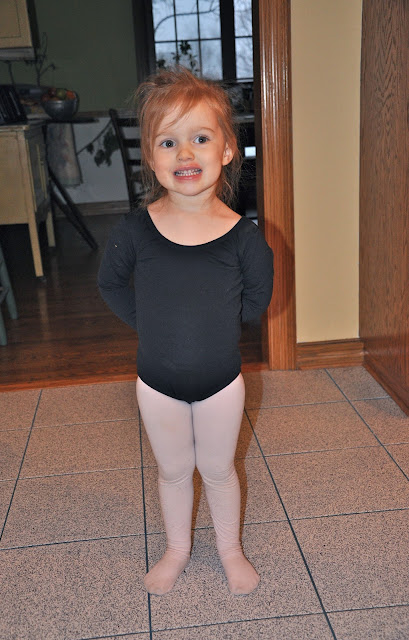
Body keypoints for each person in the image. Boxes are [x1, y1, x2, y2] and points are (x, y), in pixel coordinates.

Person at [98, 67, 274, 596]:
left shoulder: (244, 236)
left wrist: (214, 328)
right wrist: (152, 325)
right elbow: (111, 284)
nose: (185, 153)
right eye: (168, 142)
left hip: (221, 381)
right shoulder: (134, 230)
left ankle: (229, 549)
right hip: (156, 382)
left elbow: (257, 299)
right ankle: (177, 548)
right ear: (152, 159)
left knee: (219, 470)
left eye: (200, 138)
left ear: (227, 150)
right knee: (173, 471)